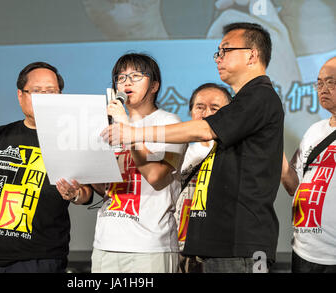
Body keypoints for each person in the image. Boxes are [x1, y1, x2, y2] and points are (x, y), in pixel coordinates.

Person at [102, 22, 284, 273]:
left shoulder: (260, 95)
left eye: (225, 50)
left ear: (252, 54)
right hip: (218, 243)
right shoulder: (244, 101)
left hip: (242, 242)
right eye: (217, 53)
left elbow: (204, 129)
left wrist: (134, 133)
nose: (218, 58)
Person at [0, 61, 93, 273]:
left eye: (51, 91)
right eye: (37, 91)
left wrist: (75, 194)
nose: (44, 97)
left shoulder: (71, 139)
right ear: (21, 95)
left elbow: (87, 194)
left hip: (42, 258)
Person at [90, 53, 186, 273]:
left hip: (150, 244)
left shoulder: (169, 123)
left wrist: (127, 129)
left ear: (154, 86)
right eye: (121, 77)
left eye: (135, 76)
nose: (126, 83)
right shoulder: (106, 125)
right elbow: (105, 188)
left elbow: (156, 177)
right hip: (106, 241)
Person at [281, 56, 336, 273]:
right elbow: (296, 187)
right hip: (304, 251)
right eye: (319, 83)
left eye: (331, 82)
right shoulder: (315, 130)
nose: (323, 89)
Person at [175, 83, 231, 273]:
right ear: (191, 111)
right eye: (200, 107)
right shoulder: (176, 152)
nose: (206, 113)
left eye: (214, 108)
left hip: (217, 250)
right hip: (176, 247)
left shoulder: (234, 156)